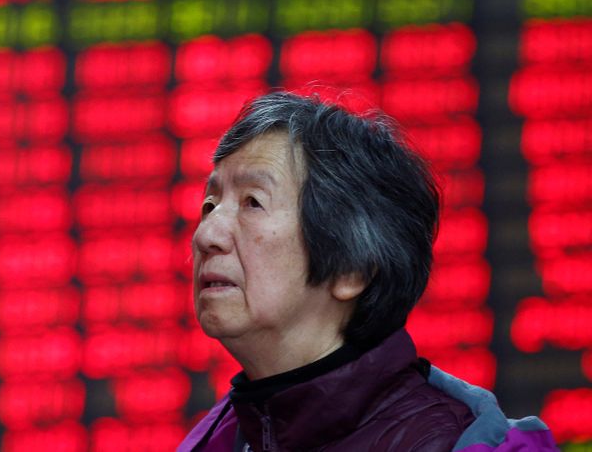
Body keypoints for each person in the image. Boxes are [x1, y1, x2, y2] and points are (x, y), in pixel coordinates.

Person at [177, 93, 557, 451]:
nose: (206, 234)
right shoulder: (216, 439)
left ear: (351, 269)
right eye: (210, 205)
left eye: (252, 203)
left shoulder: (460, 443)